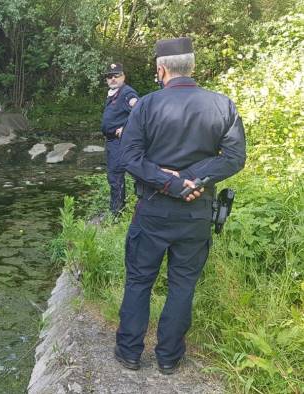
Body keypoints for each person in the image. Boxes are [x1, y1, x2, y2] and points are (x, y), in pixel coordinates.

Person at [114, 37, 246, 374]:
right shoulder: (222, 105)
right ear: (192, 67)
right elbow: (234, 158)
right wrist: (194, 179)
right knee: (182, 285)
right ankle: (169, 358)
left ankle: (129, 353)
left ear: (161, 69)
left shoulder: (146, 105)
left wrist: (175, 181)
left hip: (154, 211)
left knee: (140, 281)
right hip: (197, 213)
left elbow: (128, 156)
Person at [100, 63, 139, 216]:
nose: (113, 79)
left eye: (117, 75)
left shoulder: (127, 93)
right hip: (112, 142)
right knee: (114, 176)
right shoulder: (113, 93)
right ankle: (119, 209)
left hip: (120, 142)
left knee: (116, 176)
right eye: (110, 76)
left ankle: (117, 213)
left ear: (123, 76)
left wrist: (126, 128)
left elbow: (140, 110)